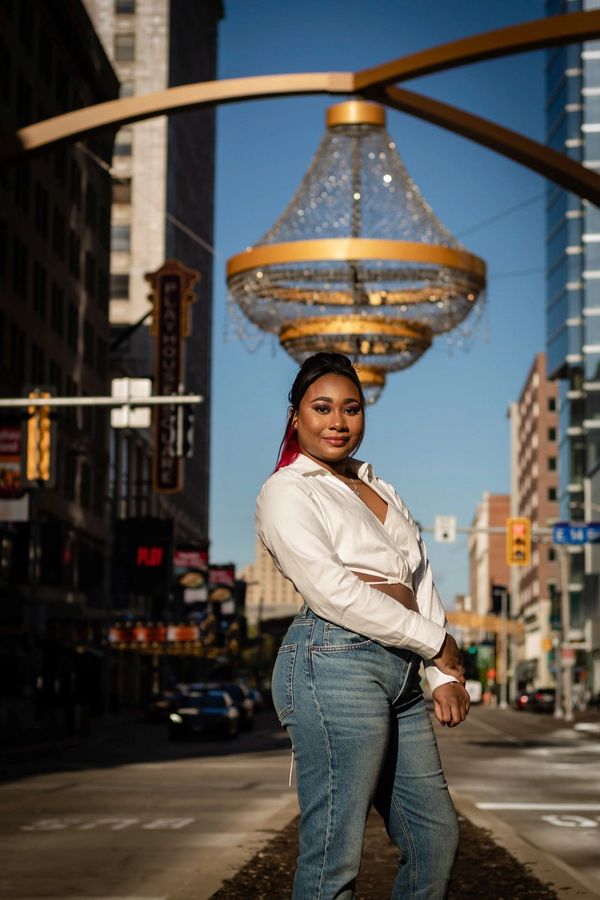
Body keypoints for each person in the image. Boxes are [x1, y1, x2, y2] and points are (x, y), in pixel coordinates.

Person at [256, 352, 470, 900]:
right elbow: (334, 592)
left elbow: (418, 574)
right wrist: (435, 643)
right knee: (334, 853)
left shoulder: (379, 487)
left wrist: (440, 672)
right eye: (322, 408)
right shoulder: (288, 490)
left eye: (351, 409)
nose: (338, 421)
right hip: (333, 661)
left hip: (398, 670)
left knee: (435, 837)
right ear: (295, 416)